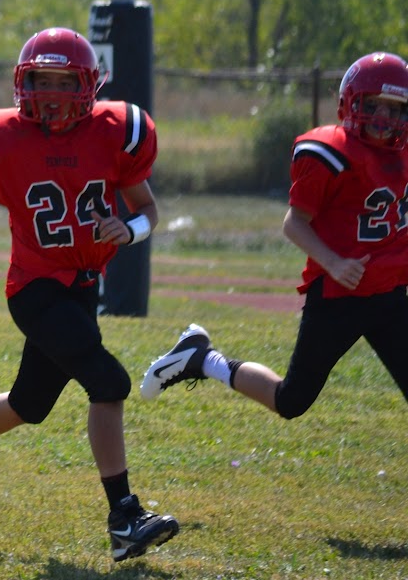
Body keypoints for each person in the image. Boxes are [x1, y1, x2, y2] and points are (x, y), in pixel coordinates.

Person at [0, 26, 179, 562]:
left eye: (65, 81)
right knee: (109, 382)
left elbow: (148, 209)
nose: (53, 93)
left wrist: (129, 231)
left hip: (83, 287)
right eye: (42, 80)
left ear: (88, 85)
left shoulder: (117, 131)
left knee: (28, 405)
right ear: (23, 82)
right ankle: (124, 516)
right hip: (34, 288)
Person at [141, 51, 408, 424]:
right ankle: (202, 359)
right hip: (338, 294)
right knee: (292, 400)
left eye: (396, 109)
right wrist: (333, 262)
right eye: (376, 106)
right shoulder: (332, 152)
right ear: (349, 103)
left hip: (390, 293)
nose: (386, 119)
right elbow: (293, 223)